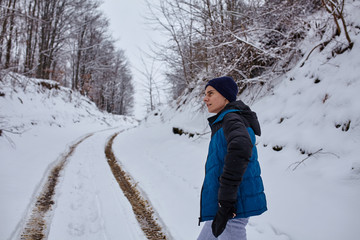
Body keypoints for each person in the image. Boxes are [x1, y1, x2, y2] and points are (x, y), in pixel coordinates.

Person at [198, 76, 267, 240]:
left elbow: (241, 149)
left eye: (211, 93)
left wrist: (227, 199)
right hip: (226, 201)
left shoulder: (231, 118)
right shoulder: (226, 120)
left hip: (233, 202)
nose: (205, 98)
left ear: (225, 96)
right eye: (205, 93)